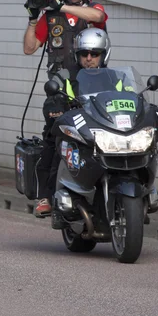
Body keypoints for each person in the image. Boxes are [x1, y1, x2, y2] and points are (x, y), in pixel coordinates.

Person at [22, 0, 108, 217]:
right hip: (60, 91)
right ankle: (45, 196)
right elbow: (29, 48)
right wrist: (32, 17)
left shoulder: (94, 9)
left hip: (95, 88)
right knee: (54, 137)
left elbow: (98, 18)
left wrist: (61, 6)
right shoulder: (51, 17)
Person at [40, 27, 110, 227]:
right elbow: (52, 98)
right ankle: (49, 196)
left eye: (94, 54)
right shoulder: (65, 75)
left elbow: (131, 96)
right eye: (84, 54)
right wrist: (55, 109)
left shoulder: (115, 78)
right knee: (56, 146)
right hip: (75, 128)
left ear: (103, 55)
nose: (89, 58)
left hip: (103, 129)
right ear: (76, 55)